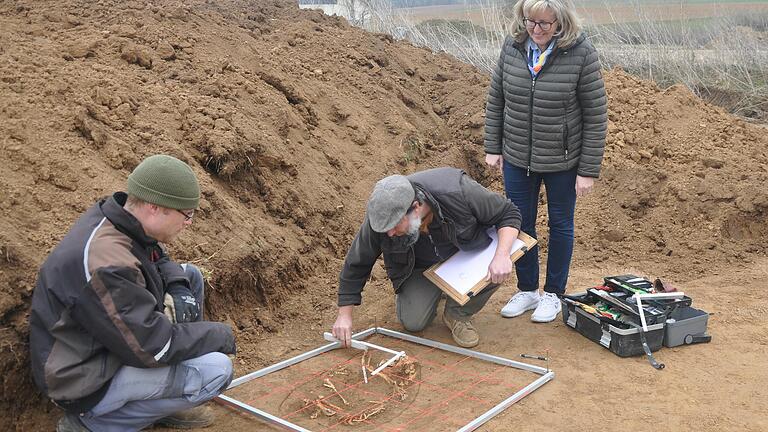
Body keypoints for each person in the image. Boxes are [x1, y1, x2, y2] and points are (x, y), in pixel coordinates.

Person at [29, 155, 237, 432]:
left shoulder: (121, 218)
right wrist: (220, 335)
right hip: (80, 377)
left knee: (190, 277)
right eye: (185, 214)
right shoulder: (108, 265)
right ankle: (93, 423)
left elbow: (155, 254)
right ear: (154, 207)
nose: (189, 222)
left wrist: (177, 283)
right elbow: (154, 347)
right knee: (216, 370)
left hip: (104, 341)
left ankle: (164, 399)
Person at [484, 0, 607, 323]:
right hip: (517, 156)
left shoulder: (581, 53)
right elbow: (497, 99)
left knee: (560, 225)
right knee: (519, 225)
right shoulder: (513, 47)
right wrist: (493, 146)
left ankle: (553, 294)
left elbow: (595, 115)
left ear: (561, 23)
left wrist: (587, 170)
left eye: (545, 24)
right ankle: (527, 290)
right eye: (530, 22)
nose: (536, 30)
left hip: (563, 160)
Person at [332, 167, 521, 348]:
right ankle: (438, 291)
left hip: (464, 255)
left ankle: (458, 313)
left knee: (498, 263)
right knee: (413, 322)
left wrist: (502, 255)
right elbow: (357, 262)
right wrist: (344, 315)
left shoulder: (457, 190)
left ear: (415, 207)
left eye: (395, 225)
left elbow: (508, 213)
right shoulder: (383, 216)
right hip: (421, 268)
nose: (389, 233)